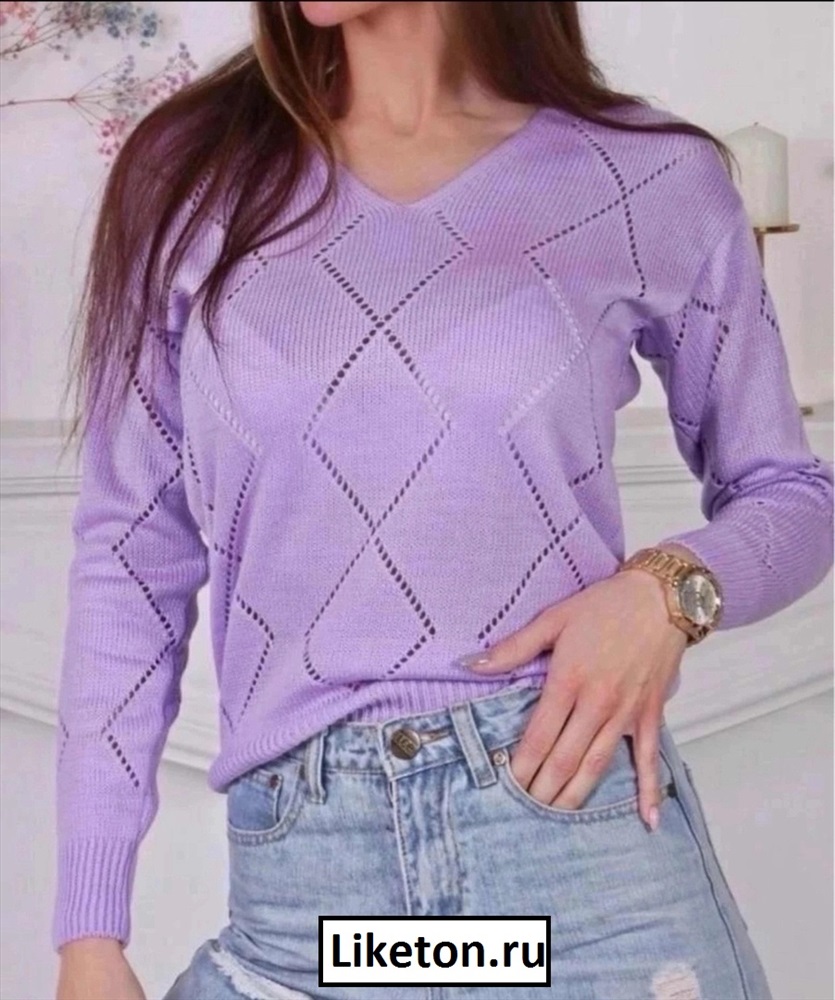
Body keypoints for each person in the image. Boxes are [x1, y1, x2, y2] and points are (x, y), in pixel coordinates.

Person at [53, 2, 833, 998]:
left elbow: (790, 494)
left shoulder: (646, 175)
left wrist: (662, 593)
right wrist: (89, 930)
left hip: (574, 846)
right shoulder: (189, 176)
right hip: (308, 887)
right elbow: (131, 555)